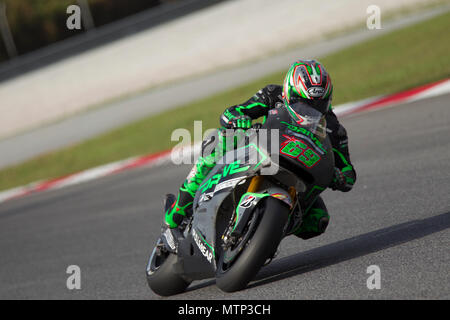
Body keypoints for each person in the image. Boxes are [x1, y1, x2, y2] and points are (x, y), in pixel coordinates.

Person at [164, 60, 356, 239]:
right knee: (219, 139)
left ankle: (262, 235)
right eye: (301, 101)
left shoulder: (333, 128)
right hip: (260, 152)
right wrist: (237, 119)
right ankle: (180, 205)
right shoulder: (272, 94)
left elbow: (348, 172)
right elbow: (234, 112)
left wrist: (340, 176)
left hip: (300, 175)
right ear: (289, 92)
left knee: (318, 221)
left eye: (317, 104)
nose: (309, 109)